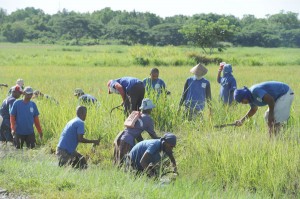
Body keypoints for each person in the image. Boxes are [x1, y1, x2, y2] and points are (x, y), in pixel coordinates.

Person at [114, 98, 160, 165]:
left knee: (118, 161)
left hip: (121, 137)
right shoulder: (148, 119)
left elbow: (137, 134)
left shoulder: (137, 115)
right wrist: (161, 140)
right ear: (149, 109)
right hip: (128, 140)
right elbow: (153, 135)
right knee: (126, 163)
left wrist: (142, 144)